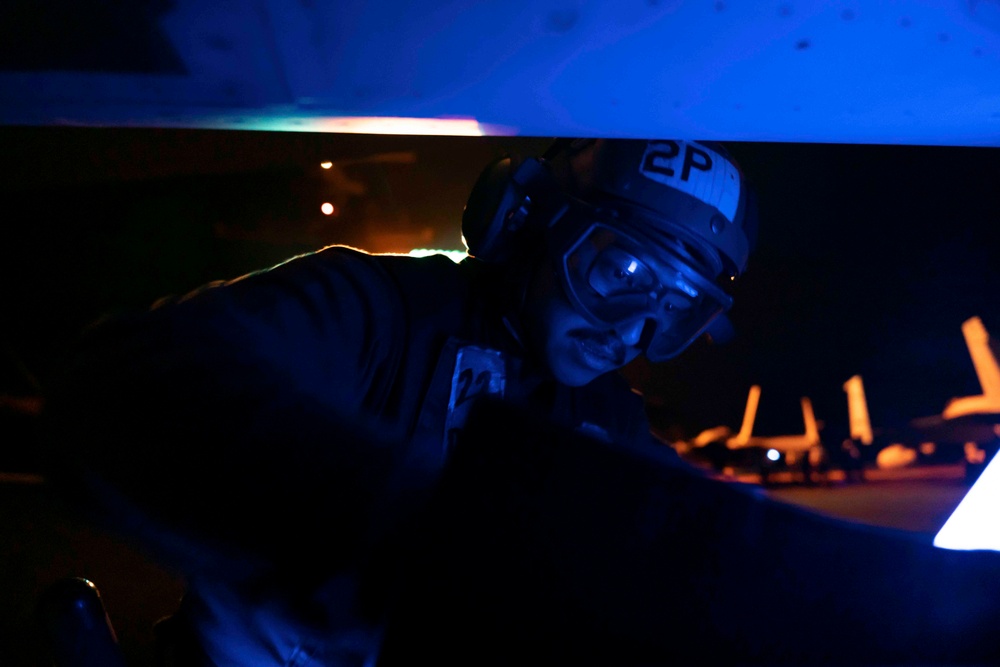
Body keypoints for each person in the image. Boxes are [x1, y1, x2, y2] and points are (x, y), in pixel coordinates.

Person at [39, 138, 757, 666]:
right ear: (529, 219)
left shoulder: (614, 421)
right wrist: (391, 526)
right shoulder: (375, 312)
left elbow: (707, 548)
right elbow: (124, 378)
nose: (635, 326)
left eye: (677, 305)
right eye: (621, 269)